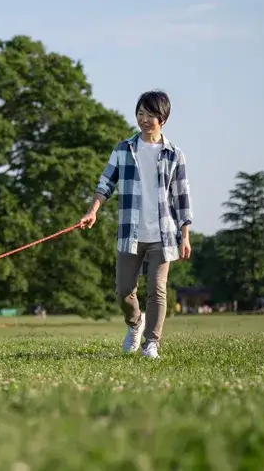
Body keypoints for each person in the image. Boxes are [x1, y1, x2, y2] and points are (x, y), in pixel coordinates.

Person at [79, 90, 193, 359]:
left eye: (150, 115)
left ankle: (151, 342)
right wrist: (93, 210)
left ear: (162, 118)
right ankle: (135, 324)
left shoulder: (175, 155)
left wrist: (185, 235)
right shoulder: (123, 149)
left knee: (157, 290)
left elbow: (182, 197)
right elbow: (105, 183)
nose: (144, 120)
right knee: (123, 291)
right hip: (130, 233)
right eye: (141, 113)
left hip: (163, 234)